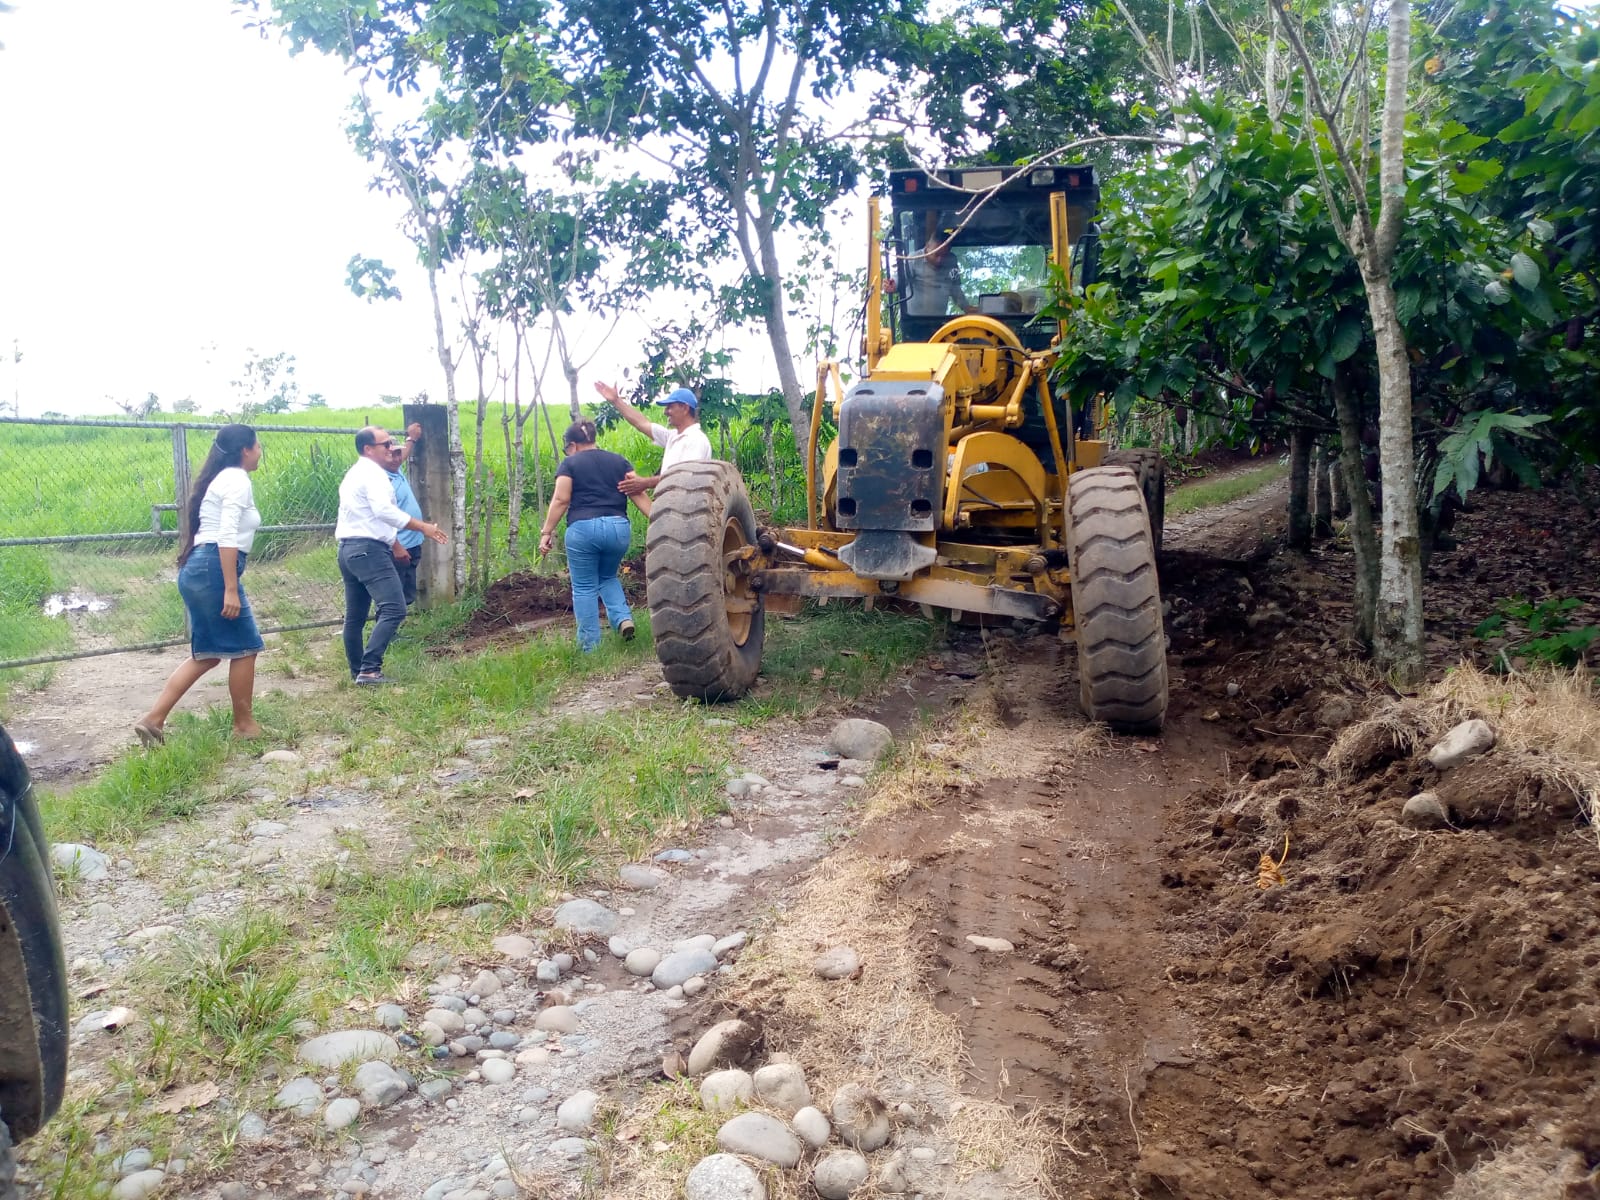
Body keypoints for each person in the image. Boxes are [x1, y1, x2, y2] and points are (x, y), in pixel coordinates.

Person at [134, 424, 266, 744]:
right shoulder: (236, 479)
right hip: (214, 570)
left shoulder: (222, 479)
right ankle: (244, 726)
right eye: (258, 446)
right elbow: (227, 534)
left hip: (201, 569)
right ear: (245, 450)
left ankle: (153, 720)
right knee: (247, 648)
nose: (260, 451)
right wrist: (230, 589)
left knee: (207, 655)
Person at [336, 426, 448, 684]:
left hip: (349, 549)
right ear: (368, 449)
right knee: (395, 608)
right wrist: (423, 527)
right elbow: (384, 511)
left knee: (355, 617)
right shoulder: (373, 474)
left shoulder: (356, 473)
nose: (391, 448)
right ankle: (369, 670)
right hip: (368, 550)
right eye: (385, 444)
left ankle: (358, 671)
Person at [538, 419, 651, 651]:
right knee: (607, 576)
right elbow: (638, 493)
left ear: (572, 445)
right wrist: (658, 520)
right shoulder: (619, 461)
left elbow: (561, 499)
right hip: (618, 528)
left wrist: (546, 531)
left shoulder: (570, 464)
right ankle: (623, 618)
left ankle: (590, 648)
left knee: (584, 587)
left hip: (583, 530)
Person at [592, 381, 712, 498]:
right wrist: (616, 401)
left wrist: (646, 483)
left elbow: (684, 476)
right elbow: (641, 423)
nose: (665, 412)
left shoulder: (696, 439)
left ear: (685, 408)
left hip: (688, 506)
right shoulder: (672, 436)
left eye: (670, 407)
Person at [384, 422, 425, 605]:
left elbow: (402, 455)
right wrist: (397, 547)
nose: (396, 459)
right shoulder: (382, 480)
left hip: (412, 544)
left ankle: (398, 621)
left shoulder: (395, 470)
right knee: (392, 598)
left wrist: (411, 439)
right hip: (398, 549)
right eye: (390, 455)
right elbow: (382, 518)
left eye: (397, 453)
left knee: (406, 596)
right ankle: (389, 624)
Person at [905, 217, 971, 318]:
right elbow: (900, 279)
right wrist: (892, 285)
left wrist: (966, 308)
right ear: (927, 247)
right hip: (913, 321)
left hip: (939, 320)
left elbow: (955, 288)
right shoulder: (913, 259)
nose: (939, 260)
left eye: (944, 255)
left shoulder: (951, 261)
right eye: (936, 255)